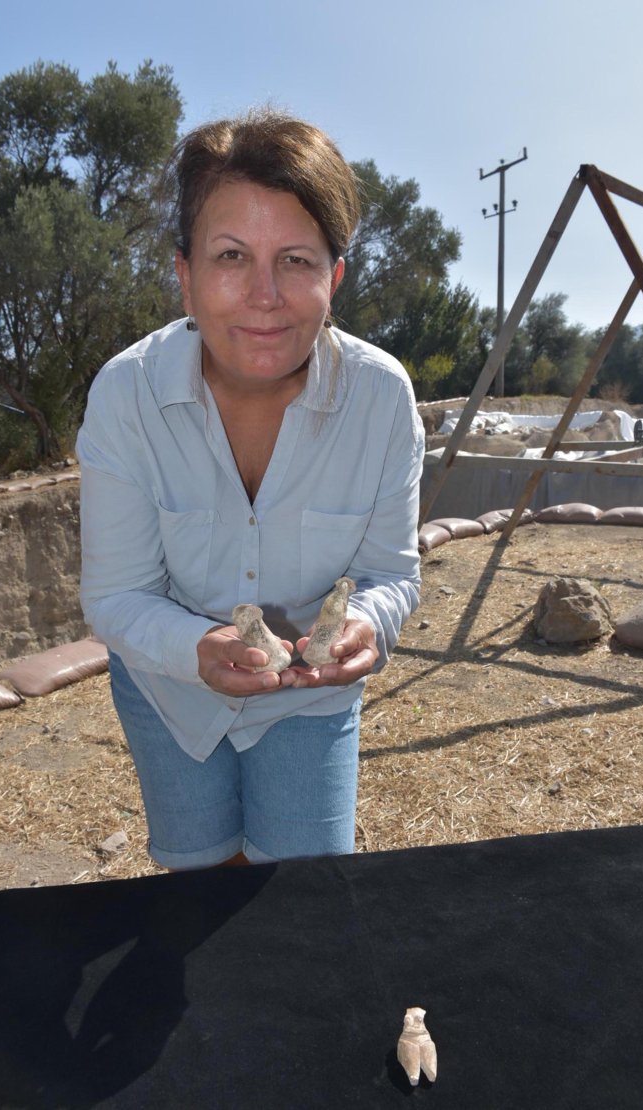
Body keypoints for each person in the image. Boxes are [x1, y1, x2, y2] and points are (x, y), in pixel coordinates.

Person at [77, 109, 424, 871]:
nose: (265, 295)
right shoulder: (124, 396)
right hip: (170, 692)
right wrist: (194, 646)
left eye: (296, 261)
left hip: (312, 698)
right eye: (232, 255)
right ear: (186, 277)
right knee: (198, 877)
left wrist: (367, 622)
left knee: (303, 897)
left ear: (334, 278)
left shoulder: (382, 398)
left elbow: (392, 575)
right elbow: (115, 595)